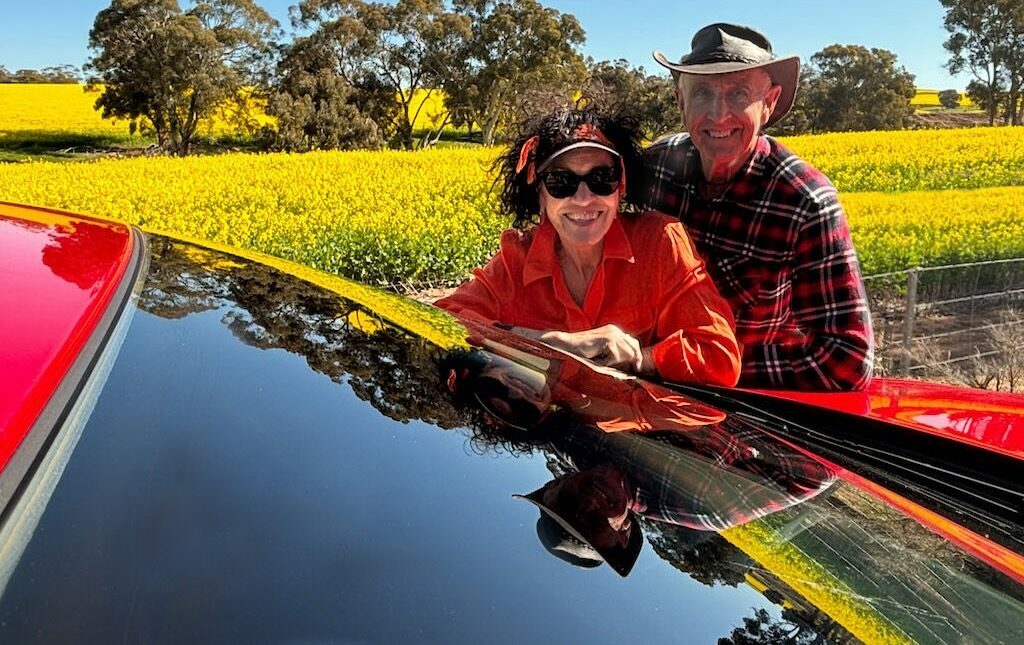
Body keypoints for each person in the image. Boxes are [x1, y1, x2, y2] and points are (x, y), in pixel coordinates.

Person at [436, 108, 740, 386]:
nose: (583, 199)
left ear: (620, 187)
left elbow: (720, 358)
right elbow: (438, 324)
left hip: (640, 438)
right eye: (561, 181)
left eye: (601, 178)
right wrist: (554, 343)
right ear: (539, 194)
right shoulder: (517, 259)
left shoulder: (660, 242)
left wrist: (641, 358)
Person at [645, 23, 874, 391]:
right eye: (702, 93)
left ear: (769, 103)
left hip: (743, 409)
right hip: (637, 390)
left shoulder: (805, 201)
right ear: (680, 102)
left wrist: (703, 364)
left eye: (738, 94)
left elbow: (847, 359)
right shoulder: (651, 169)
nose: (719, 115)